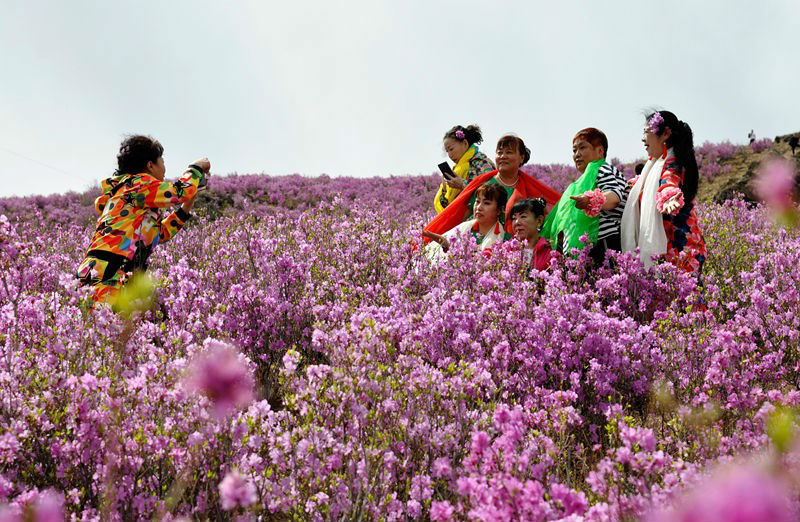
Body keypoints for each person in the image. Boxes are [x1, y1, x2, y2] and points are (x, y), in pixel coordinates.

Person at [76, 135, 210, 304]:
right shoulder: (138, 184)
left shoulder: (126, 192)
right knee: (109, 329)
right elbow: (181, 191)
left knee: (98, 328)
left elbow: (160, 234)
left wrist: (186, 208)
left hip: (99, 273)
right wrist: (196, 168)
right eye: (162, 161)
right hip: (111, 275)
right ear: (150, 165)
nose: (165, 167)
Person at [423, 134, 561, 241]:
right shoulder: (484, 182)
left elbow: (553, 212)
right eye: (499, 152)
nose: (503, 157)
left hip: (516, 250)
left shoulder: (529, 186)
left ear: (521, 157)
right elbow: (459, 214)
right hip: (481, 244)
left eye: (509, 152)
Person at [621, 111, 706, 273]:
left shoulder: (673, 164)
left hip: (681, 248)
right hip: (668, 250)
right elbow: (631, 186)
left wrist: (669, 196)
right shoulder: (652, 168)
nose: (642, 138)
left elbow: (669, 181)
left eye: (646, 132)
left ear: (665, 134)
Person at [540, 128, 628, 265]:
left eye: (582, 148)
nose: (577, 154)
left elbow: (614, 196)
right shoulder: (581, 182)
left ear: (600, 151)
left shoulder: (602, 169)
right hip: (587, 250)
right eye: (574, 150)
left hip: (604, 244)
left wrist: (590, 200)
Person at [423, 182, 512, 256]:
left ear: (500, 210)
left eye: (487, 203)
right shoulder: (465, 227)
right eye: (477, 202)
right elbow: (448, 245)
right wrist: (435, 238)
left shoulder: (505, 239)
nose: (479, 207)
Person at [434, 125, 496, 213]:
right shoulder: (456, 169)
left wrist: (462, 184)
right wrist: (444, 189)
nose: (450, 155)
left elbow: (492, 193)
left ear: (465, 143)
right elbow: (448, 206)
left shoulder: (481, 162)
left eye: (451, 149)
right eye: (447, 151)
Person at [509, 198, 553, 271]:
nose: (517, 222)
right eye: (514, 218)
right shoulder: (505, 250)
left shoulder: (550, 256)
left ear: (539, 221)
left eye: (523, 216)